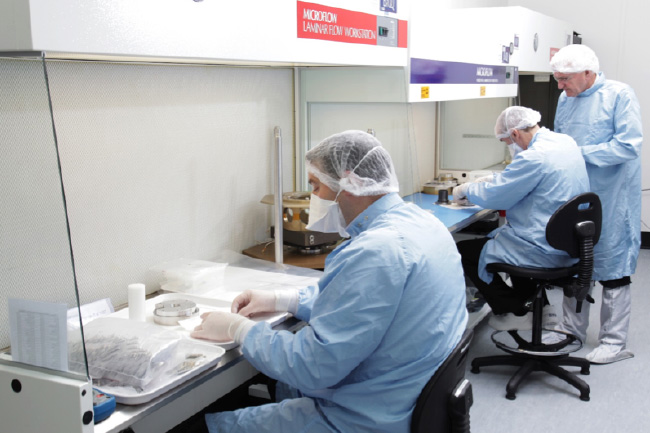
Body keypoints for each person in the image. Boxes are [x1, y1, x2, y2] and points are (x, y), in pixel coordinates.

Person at [191, 130, 468, 433]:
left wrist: (238, 329)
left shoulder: (377, 251)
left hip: (363, 419)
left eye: (315, 186)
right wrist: (285, 300)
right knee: (281, 388)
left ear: (349, 183)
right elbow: (359, 301)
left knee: (208, 426)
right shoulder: (422, 223)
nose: (314, 198)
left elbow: (312, 366)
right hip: (407, 398)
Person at [453, 106, 590, 332]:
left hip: (544, 249)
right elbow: (539, 182)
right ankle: (542, 309)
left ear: (515, 134)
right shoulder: (564, 143)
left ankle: (514, 310)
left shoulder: (533, 157)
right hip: (570, 245)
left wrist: (467, 189)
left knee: (465, 251)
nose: (510, 147)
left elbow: (497, 196)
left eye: (507, 142)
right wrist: (501, 178)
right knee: (505, 238)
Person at [549, 44, 643, 364]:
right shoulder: (566, 98)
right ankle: (569, 331)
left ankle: (613, 342)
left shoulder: (619, 95)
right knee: (577, 264)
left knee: (613, 267)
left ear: (588, 74)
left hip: (613, 197)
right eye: (557, 79)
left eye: (565, 79)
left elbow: (627, 146)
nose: (560, 86)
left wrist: (580, 154)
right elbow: (562, 142)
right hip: (576, 194)